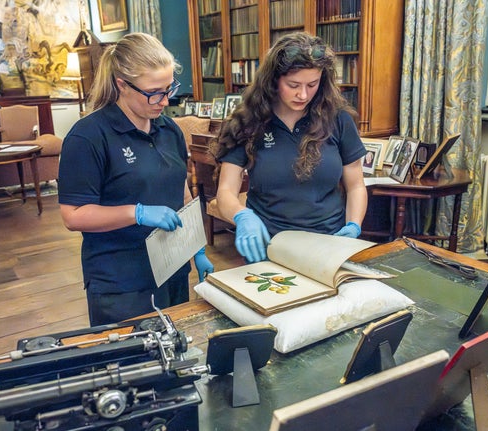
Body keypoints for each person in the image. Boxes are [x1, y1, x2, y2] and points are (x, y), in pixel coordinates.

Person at [57, 33, 214, 326]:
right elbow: (73, 215)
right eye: (155, 92)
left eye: (169, 89)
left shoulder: (169, 130)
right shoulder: (88, 137)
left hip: (172, 267)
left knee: (173, 355)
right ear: (121, 85)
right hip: (122, 280)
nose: (165, 101)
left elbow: (182, 193)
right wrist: (137, 213)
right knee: (131, 363)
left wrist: (198, 249)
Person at [212, 32, 368, 263]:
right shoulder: (249, 121)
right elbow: (225, 192)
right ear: (274, 80)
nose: (303, 94)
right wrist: (242, 215)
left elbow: (355, 185)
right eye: (293, 85)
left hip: (329, 243)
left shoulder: (338, 119)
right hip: (270, 245)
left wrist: (353, 225)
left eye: (312, 84)